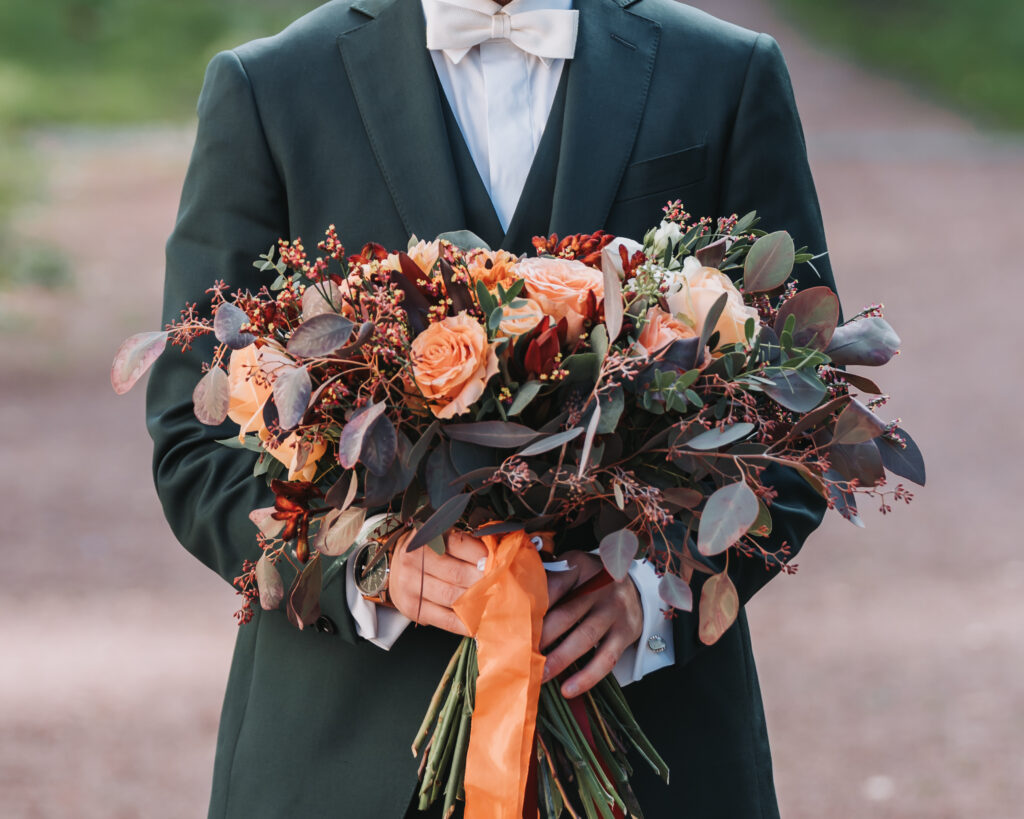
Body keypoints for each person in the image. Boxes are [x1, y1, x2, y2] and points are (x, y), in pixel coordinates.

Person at [146, 0, 837, 816]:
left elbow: (801, 411)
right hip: (341, 759)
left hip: (655, 752)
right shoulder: (270, 89)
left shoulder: (723, 75)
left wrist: (652, 590)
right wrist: (366, 570)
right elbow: (199, 441)